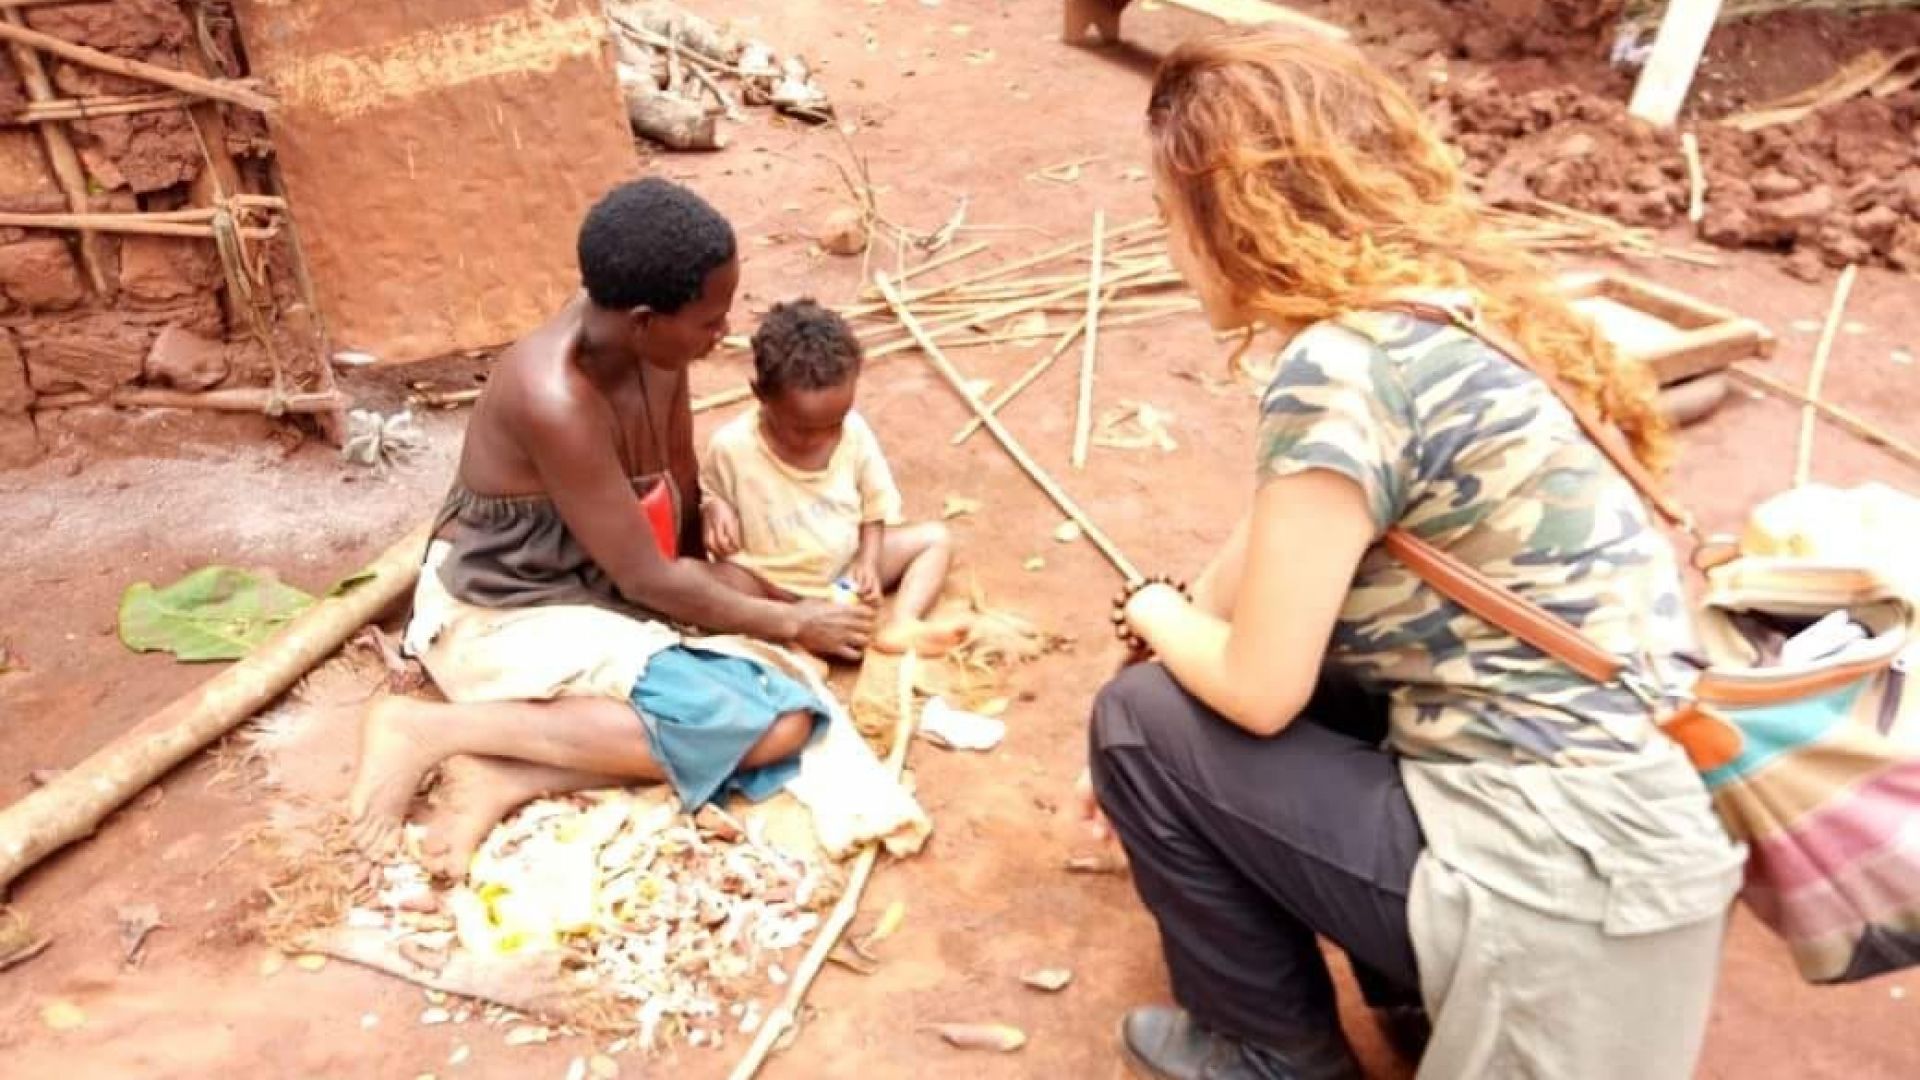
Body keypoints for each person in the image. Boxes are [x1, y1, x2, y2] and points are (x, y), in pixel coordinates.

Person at [1080, 30, 1746, 1080]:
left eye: (1171, 219)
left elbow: (1254, 690)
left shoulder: (1335, 371)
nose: (1170, 248)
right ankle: (1420, 995)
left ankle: (1273, 1056)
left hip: (1554, 884)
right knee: (1283, 683)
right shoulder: (1448, 317)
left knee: (1139, 727)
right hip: (1638, 837)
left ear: (1233, 218)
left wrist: (1152, 621)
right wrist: (1165, 626)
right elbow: (1267, 556)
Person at [348, 179, 875, 876]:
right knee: (776, 722)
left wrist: (727, 587)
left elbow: (679, 493)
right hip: (498, 615)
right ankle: (428, 730)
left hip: (598, 589)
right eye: (710, 319)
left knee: (746, 602)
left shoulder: (655, 351)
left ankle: (516, 775)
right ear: (646, 319)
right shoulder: (555, 395)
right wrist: (791, 624)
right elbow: (648, 576)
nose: (725, 333)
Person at [701, 299, 962, 656]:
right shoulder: (730, 447)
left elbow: (874, 509)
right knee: (712, 585)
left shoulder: (854, 434)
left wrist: (867, 564)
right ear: (760, 394)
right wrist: (713, 509)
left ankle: (904, 621)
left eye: (833, 424)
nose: (821, 438)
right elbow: (709, 495)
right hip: (771, 586)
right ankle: (791, 643)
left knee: (935, 539)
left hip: (843, 575)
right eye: (802, 430)